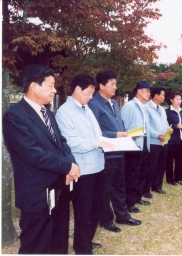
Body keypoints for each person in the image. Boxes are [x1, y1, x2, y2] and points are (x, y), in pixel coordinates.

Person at [2, 65, 79, 254]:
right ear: (34, 86)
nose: (54, 90)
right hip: (36, 195)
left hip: (59, 190)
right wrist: (68, 165)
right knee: (36, 245)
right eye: (50, 85)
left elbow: (62, 143)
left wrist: (71, 165)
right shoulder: (14, 116)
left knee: (59, 243)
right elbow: (32, 153)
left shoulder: (48, 113)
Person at [56, 73, 112, 254]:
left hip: (98, 166)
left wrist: (109, 141)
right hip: (83, 170)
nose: (91, 97)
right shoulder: (65, 112)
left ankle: (86, 240)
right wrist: (97, 143)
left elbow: (96, 135)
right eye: (88, 92)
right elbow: (70, 142)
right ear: (77, 89)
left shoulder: (87, 108)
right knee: (84, 211)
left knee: (96, 208)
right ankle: (82, 248)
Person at [88, 71, 141, 233]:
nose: (115, 87)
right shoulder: (93, 104)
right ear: (101, 85)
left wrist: (127, 134)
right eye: (112, 84)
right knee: (105, 189)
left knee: (119, 186)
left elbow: (120, 126)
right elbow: (94, 131)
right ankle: (106, 219)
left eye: (115, 84)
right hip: (105, 154)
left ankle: (123, 215)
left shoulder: (113, 103)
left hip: (119, 151)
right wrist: (116, 135)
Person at [121, 81, 151, 213]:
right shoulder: (129, 106)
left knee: (141, 172)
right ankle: (129, 202)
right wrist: (128, 136)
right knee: (132, 174)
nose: (149, 94)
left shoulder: (144, 106)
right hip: (132, 146)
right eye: (147, 91)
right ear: (139, 91)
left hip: (143, 144)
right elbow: (123, 126)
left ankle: (137, 197)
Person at [145, 87, 173, 194]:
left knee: (161, 165)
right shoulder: (146, 108)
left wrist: (169, 130)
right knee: (151, 166)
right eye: (162, 95)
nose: (164, 97)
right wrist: (157, 135)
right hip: (153, 142)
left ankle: (157, 186)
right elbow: (147, 126)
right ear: (156, 95)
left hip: (164, 141)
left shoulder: (162, 109)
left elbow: (165, 123)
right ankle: (147, 189)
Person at [165, 92, 182, 185]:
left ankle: (179, 178)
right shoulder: (167, 112)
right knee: (170, 159)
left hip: (181, 138)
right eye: (177, 99)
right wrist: (176, 126)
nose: (179, 101)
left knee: (180, 158)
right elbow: (166, 125)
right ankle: (170, 179)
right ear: (171, 100)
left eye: (180, 99)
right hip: (171, 138)